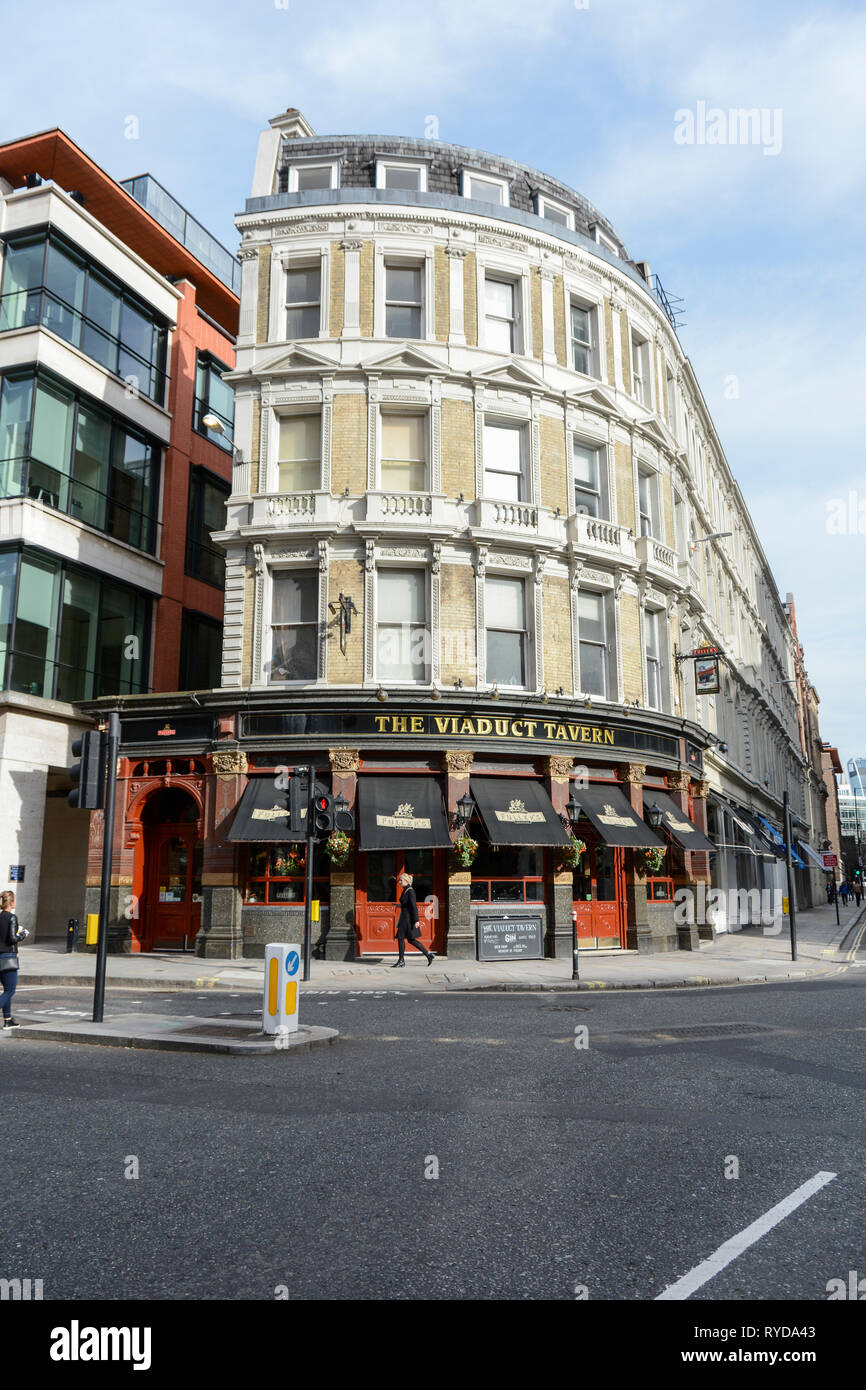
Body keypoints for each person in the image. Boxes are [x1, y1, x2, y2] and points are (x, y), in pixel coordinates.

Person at [392, 872, 435, 968]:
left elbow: (414, 907)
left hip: (407, 920)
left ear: (406, 881)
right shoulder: (405, 890)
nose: (399, 882)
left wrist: (416, 920)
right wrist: (399, 905)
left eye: (401, 880)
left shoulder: (410, 891)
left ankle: (401, 961)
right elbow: (407, 905)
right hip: (405, 918)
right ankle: (428, 955)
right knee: (411, 940)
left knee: (401, 938)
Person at [0, 890, 28, 1029]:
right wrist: (22, 934)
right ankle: (7, 1019)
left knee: (6, 990)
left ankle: (8, 1019)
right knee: (10, 990)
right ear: (11, 902)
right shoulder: (12, 917)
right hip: (8, 957)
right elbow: (12, 939)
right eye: (15, 900)